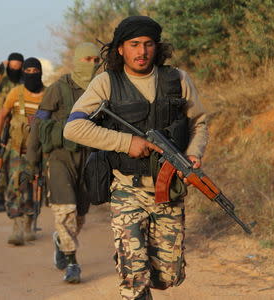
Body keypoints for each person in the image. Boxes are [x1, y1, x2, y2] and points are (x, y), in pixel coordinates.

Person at [63, 16, 208, 299]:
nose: (141, 52)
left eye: (147, 44)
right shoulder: (106, 82)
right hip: (126, 188)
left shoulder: (177, 80)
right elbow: (73, 126)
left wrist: (193, 154)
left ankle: (133, 262)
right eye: (134, 45)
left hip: (168, 192)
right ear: (120, 49)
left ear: (157, 47)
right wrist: (125, 142)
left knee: (169, 275)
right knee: (135, 280)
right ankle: (131, 265)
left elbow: (199, 123)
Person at [26, 42, 100, 284]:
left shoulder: (102, 89)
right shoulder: (58, 89)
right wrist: (32, 162)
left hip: (88, 158)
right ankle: (72, 262)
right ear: (77, 60)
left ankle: (61, 240)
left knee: (80, 213)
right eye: (86, 60)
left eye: (95, 60)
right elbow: (38, 124)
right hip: (60, 157)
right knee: (65, 208)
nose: (91, 65)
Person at [0, 57, 45, 246]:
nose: (32, 75)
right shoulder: (16, 93)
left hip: (38, 153)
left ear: (41, 72)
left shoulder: (47, 94)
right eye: (28, 71)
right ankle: (17, 226)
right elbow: (2, 115)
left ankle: (30, 222)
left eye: (35, 71)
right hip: (16, 150)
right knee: (15, 186)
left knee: (33, 188)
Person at [0, 52, 24, 212]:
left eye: (18, 66)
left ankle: (13, 197)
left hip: (16, 127)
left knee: (14, 164)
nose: (15, 68)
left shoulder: (23, 79)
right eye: (12, 66)